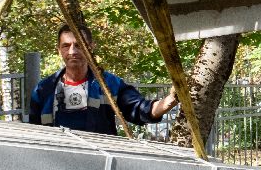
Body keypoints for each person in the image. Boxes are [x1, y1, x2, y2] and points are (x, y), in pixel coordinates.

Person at [27, 24, 179, 134]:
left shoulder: (108, 84)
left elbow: (139, 109)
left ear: (91, 47)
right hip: (57, 167)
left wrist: (170, 101)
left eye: (79, 45)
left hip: (98, 167)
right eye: (66, 46)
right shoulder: (43, 90)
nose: (72, 51)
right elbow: (33, 134)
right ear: (59, 50)